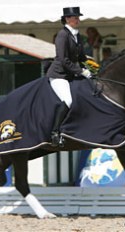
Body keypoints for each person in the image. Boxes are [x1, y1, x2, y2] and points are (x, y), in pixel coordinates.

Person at [46, 7, 92, 147]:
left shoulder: (77, 35)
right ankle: (55, 133)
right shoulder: (62, 35)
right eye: (75, 17)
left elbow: (82, 57)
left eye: (78, 17)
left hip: (72, 74)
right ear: (67, 19)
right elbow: (63, 59)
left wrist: (92, 67)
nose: (78, 19)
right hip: (59, 74)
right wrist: (81, 71)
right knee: (68, 100)